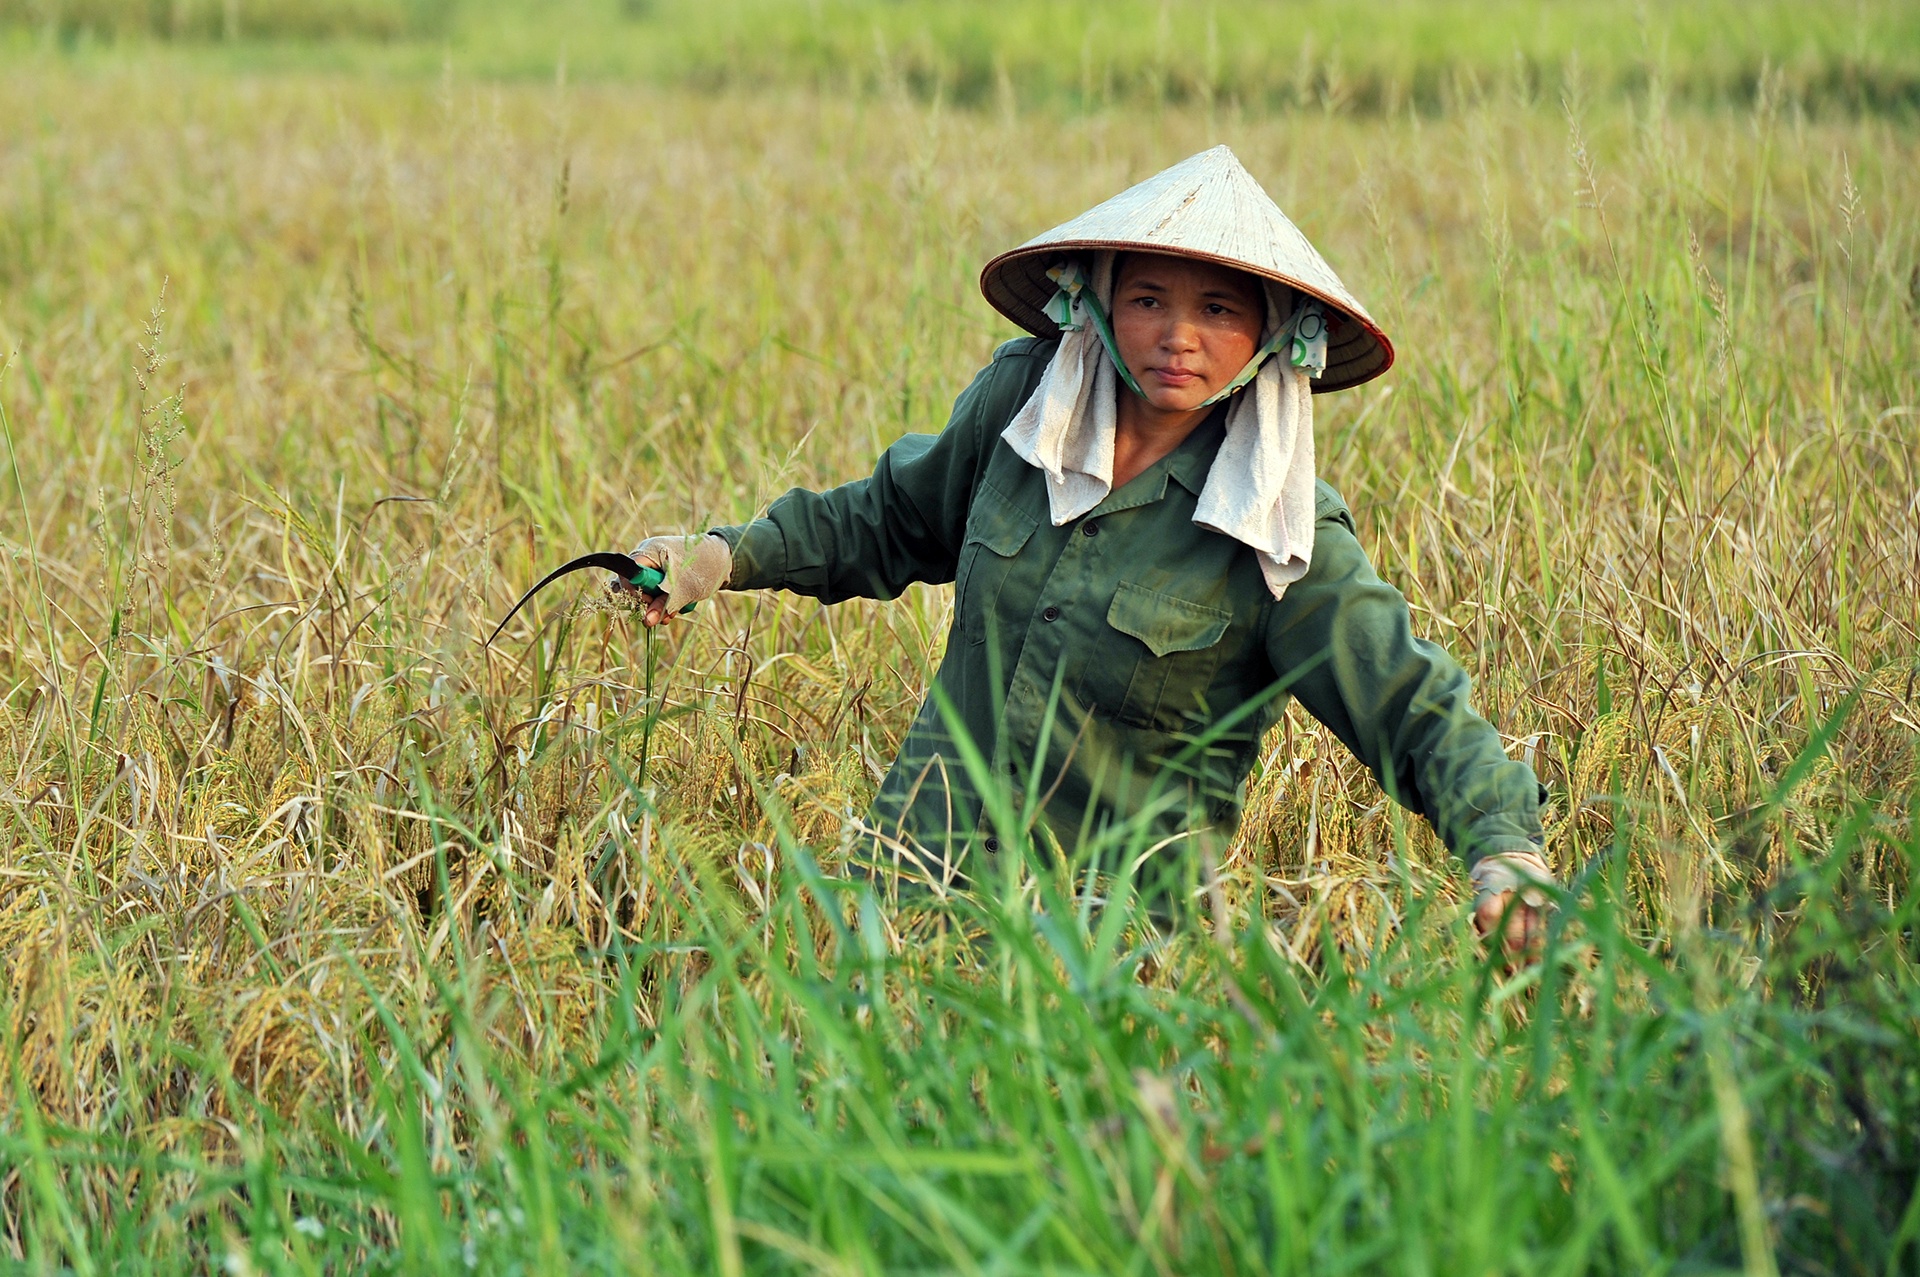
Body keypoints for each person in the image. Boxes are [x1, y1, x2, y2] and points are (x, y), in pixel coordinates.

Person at [625, 147, 1554, 953]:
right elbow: (889, 519)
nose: (1178, 336)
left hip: (1111, 952)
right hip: (907, 892)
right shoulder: (1026, 409)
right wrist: (724, 554)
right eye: (1148, 298)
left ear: (1273, 337)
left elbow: (1410, 702)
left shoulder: (1276, 531)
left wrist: (1503, 844)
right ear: (1099, 299)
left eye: (1220, 310)